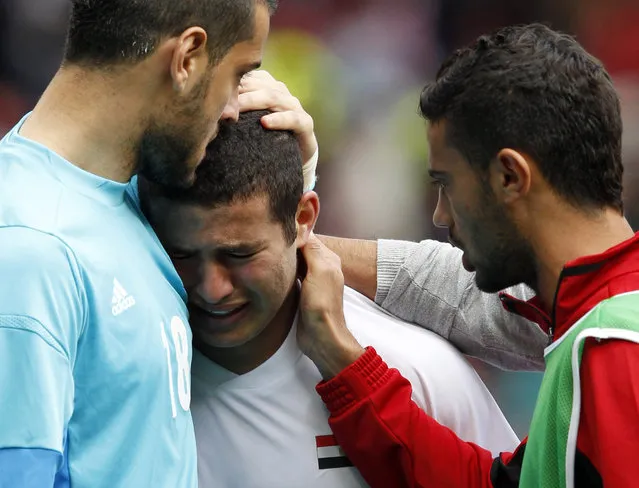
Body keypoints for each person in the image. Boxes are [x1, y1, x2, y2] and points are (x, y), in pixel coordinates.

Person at [296, 24, 639, 487]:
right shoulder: (598, 320)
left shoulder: (612, 349)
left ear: (509, 177)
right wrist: (345, 363)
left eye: (447, 185)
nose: (439, 215)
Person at [141, 110, 519, 488]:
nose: (211, 288)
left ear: (303, 219)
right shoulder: (122, 375)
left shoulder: (422, 370)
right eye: (182, 255)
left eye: (239, 255)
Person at [0, 1, 278, 486]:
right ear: (187, 57)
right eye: (237, 76)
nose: (235, 109)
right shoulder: (32, 249)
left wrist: (300, 167)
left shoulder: (123, 199)